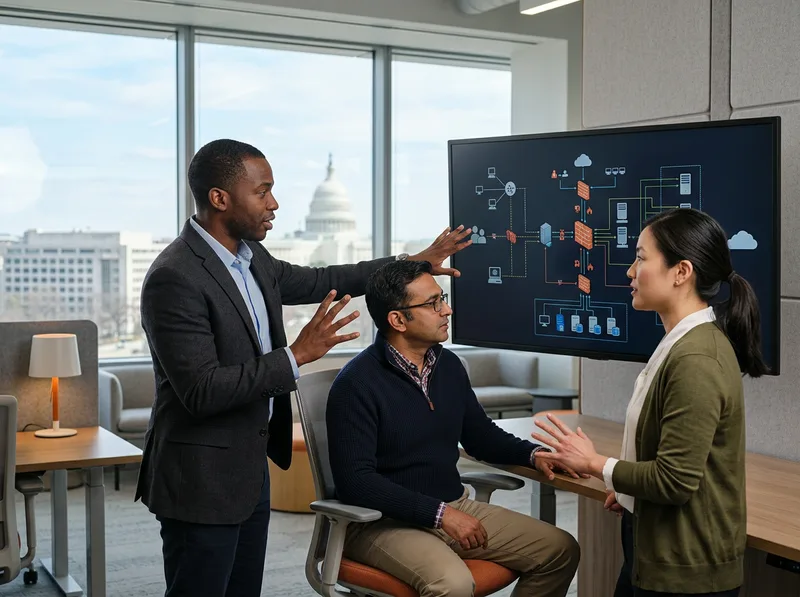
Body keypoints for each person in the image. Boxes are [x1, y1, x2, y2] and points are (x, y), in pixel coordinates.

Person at [135, 138, 472, 597]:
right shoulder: (175, 276)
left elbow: (326, 279)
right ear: (220, 198)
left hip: (247, 469)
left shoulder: (254, 260)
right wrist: (296, 355)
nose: (274, 204)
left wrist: (416, 262)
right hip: (199, 478)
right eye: (263, 192)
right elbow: (201, 390)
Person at [532, 208, 768, 597]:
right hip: (658, 551)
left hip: (685, 571)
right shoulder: (680, 343)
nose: (629, 271)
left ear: (681, 272)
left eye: (641, 258)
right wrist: (627, 490)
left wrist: (593, 464)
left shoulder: (696, 359)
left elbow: (674, 481)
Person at [326, 260, 581, 597]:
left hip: (452, 505)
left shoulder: (447, 365)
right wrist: (438, 514)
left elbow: (479, 436)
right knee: (453, 584)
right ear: (398, 319)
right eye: (433, 303)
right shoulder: (356, 383)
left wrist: (533, 455)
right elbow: (356, 482)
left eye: (441, 297)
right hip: (382, 522)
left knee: (559, 549)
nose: (446, 309)